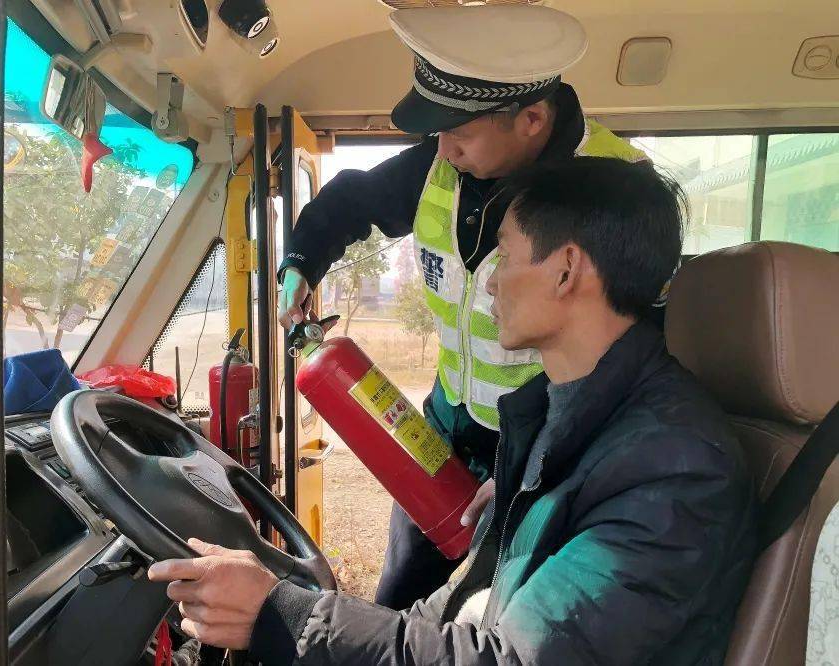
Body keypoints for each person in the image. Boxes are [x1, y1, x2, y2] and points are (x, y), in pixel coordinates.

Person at [149, 157, 757, 665]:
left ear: (567, 270)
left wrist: (283, 614)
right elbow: (467, 604)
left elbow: (509, 659)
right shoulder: (567, 415)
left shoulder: (674, 471)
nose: (489, 284)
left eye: (506, 256)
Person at [275, 4, 651, 610]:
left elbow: (635, 352)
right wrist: (300, 264)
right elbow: (351, 201)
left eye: (460, 132)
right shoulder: (440, 161)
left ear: (531, 119)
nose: (442, 149)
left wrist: (540, 463)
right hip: (450, 423)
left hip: (548, 441)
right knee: (399, 594)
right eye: (436, 132)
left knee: (503, 610)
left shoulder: (615, 188)